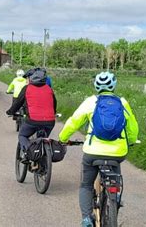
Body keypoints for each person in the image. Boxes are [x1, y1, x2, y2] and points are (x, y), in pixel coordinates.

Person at [58, 71, 139, 227]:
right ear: (114, 85)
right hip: (118, 153)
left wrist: (63, 138)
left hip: (92, 152)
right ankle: (114, 198)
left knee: (86, 185)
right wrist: (132, 140)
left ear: (96, 85)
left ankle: (87, 218)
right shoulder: (122, 102)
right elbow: (132, 126)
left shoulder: (91, 102)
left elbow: (73, 122)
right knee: (115, 173)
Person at [6, 68, 57, 153]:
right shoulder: (49, 89)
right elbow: (54, 103)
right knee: (43, 138)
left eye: (27, 78)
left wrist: (10, 111)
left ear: (30, 78)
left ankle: (28, 153)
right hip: (50, 121)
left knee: (22, 135)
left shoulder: (27, 88)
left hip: (33, 121)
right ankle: (44, 159)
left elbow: (18, 102)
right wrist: (53, 113)